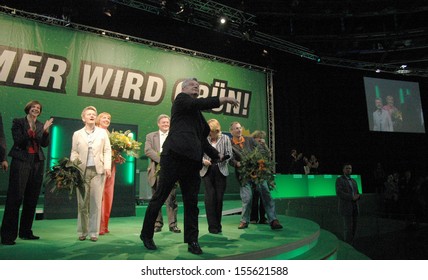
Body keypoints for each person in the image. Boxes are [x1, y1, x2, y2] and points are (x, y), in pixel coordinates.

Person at [140, 78, 239, 255]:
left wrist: (217, 156)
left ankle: (192, 240)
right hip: (173, 158)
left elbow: (203, 142)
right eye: (193, 85)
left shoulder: (199, 117)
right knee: (160, 197)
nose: (196, 87)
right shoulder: (181, 100)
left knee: (192, 203)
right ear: (183, 88)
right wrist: (223, 99)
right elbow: (201, 103)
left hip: (192, 162)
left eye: (198, 86)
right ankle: (146, 235)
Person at [1, 101, 53, 245]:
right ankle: (7, 235)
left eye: (38, 108)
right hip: (21, 160)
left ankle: (26, 232)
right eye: (33, 107)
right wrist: (32, 130)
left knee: (32, 198)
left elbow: (44, 144)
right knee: (15, 197)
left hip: (37, 162)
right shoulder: (18, 122)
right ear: (28, 109)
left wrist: (46, 131)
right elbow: (19, 141)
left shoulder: (42, 125)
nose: (36, 109)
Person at [229, 122, 283, 230]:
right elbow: (230, 159)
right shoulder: (230, 144)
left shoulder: (249, 140)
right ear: (231, 131)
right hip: (244, 175)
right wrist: (236, 163)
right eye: (236, 129)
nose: (239, 130)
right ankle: (244, 221)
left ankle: (273, 220)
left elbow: (261, 151)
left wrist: (261, 155)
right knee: (247, 198)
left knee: (266, 194)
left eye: (240, 128)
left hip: (258, 172)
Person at [70, 106, 112, 242]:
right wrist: (74, 164)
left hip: (98, 171)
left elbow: (107, 150)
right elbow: (74, 151)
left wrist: (107, 167)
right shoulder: (77, 134)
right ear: (83, 118)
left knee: (95, 202)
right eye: (89, 114)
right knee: (82, 203)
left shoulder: (102, 133)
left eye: (94, 114)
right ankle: (82, 231)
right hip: (81, 171)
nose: (92, 116)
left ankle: (94, 232)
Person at [145, 114, 181, 234]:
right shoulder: (150, 136)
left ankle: (173, 224)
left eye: (167, 122)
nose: (166, 124)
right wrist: (162, 160)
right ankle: (157, 224)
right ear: (158, 124)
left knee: (171, 199)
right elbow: (148, 150)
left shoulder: (175, 135)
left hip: (171, 171)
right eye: (163, 122)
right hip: (155, 171)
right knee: (156, 199)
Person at [200, 119, 232, 233]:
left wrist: (222, 158)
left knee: (219, 198)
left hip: (220, 170)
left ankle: (218, 224)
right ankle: (212, 226)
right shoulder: (203, 139)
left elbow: (230, 154)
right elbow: (199, 153)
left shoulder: (225, 138)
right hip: (207, 170)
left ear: (217, 130)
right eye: (208, 131)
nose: (210, 134)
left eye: (211, 131)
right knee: (210, 198)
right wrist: (203, 161)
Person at [95, 112, 120, 235]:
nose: (107, 119)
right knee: (99, 196)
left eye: (109, 118)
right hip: (99, 167)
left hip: (111, 167)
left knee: (108, 196)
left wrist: (116, 156)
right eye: (104, 117)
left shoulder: (110, 134)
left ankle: (104, 225)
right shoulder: (96, 132)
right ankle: (98, 225)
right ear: (98, 120)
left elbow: (111, 151)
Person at [335, 163, 361, 245]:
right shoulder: (339, 180)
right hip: (346, 207)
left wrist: (358, 196)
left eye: (350, 168)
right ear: (343, 170)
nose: (349, 170)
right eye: (347, 168)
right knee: (347, 228)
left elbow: (357, 192)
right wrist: (352, 197)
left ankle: (352, 243)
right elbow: (339, 193)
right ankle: (347, 245)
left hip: (355, 207)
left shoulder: (354, 181)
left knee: (354, 227)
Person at [249, 130, 268, 224]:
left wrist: (265, 145)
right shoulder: (251, 146)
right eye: (259, 137)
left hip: (263, 174)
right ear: (254, 138)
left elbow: (269, 155)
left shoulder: (262, 147)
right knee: (255, 197)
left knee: (263, 196)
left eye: (261, 138)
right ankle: (253, 218)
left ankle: (263, 218)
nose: (260, 139)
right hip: (254, 173)